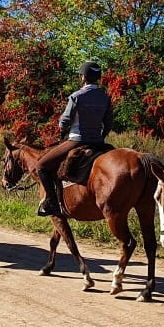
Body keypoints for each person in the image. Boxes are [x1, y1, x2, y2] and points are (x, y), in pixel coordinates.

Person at [31, 61, 114, 217]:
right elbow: (108, 123)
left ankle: (52, 202)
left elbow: (65, 120)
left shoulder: (76, 96)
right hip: (98, 142)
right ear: (97, 78)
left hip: (77, 139)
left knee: (41, 166)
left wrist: (62, 129)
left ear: (83, 77)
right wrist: (100, 137)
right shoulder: (105, 97)